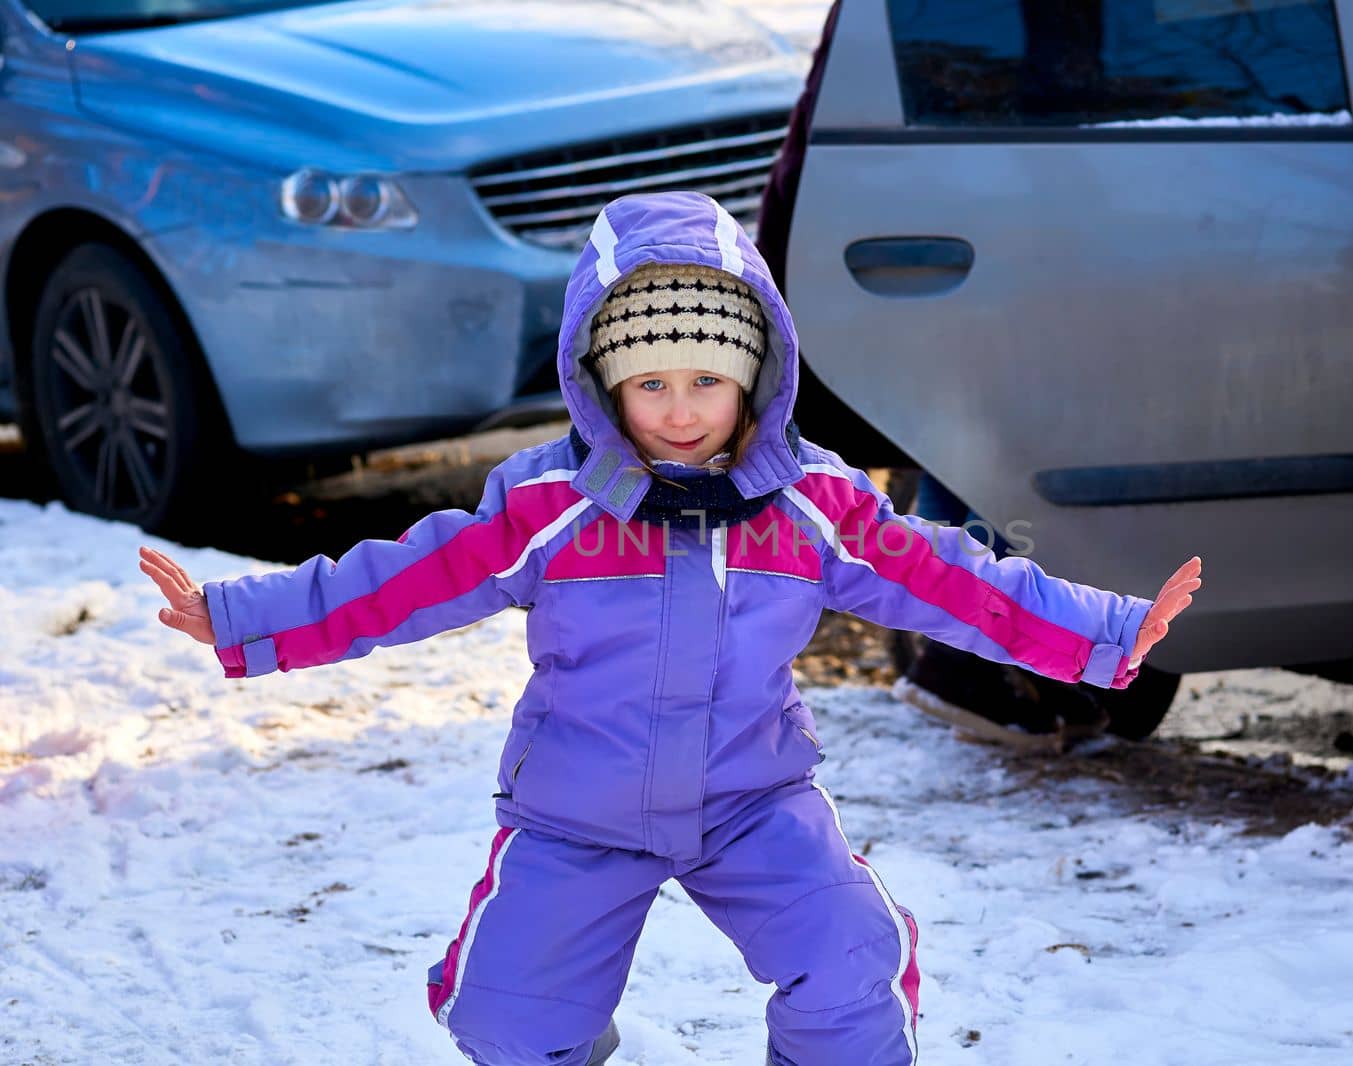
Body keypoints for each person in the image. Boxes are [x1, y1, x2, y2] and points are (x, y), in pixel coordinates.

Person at [138, 191, 1201, 1066]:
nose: (681, 410)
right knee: (509, 1019)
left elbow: (954, 579)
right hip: (576, 810)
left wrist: (1105, 632)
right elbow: (405, 579)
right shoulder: (548, 507)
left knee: (847, 965)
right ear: (604, 382)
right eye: (651, 383)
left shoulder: (812, 507)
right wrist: (241, 616)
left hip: (754, 796)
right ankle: (561, 1026)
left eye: (707, 379)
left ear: (755, 374)